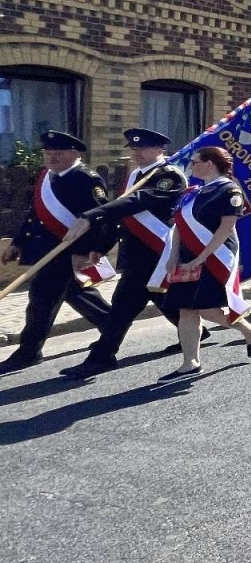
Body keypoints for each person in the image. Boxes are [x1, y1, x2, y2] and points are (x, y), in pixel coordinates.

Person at [58, 127, 191, 378]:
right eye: (133, 148)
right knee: (160, 301)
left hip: (160, 254)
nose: (136, 152)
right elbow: (122, 217)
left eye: (143, 148)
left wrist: (91, 215)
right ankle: (195, 332)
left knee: (122, 308)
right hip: (137, 255)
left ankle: (101, 357)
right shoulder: (135, 176)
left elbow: (139, 201)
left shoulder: (171, 176)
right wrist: (101, 247)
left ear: (160, 150)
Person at [0, 131, 113, 375]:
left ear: (74, 154)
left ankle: (28, 352)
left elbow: (101, 219)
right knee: (79, 294)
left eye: (58, 154)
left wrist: (85, 252)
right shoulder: (46, 177)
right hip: (46, 251)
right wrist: (17, 242)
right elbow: (35, 214)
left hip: (69, 252)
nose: (51, 158)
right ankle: (114, 329)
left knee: (41, 300)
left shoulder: (86, 179)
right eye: (48, 153)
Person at [154, 144, 251, 378]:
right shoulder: (192, 192)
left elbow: (227, 227)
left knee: (208, 310)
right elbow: (178, 227)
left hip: (214, 256)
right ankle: (190, 362)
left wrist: (201, 257)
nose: (191, 165)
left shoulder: (229, 191)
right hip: (187, 257)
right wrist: (173, 256)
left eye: (195, 161)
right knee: (186, 310)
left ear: (209, 164)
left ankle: (249, 331)